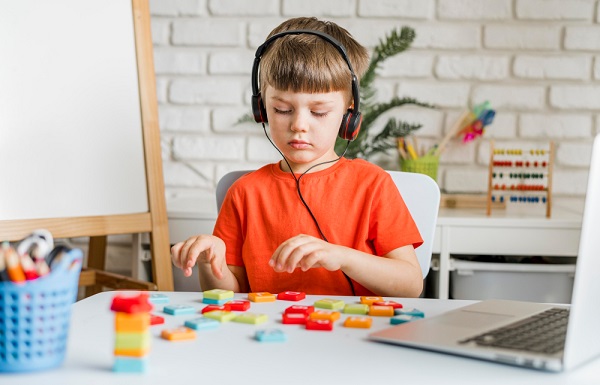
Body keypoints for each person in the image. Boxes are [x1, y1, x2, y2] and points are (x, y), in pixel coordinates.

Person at [171, 17, 424, 297]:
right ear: (261, 109)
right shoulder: (244, 193)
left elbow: (410, 286)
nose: (299, 125)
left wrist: (343, 257)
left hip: (351, 334)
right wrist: (211, 264)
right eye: (281, 109)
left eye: (318, 112)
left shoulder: (372, 184)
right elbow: (233, 293)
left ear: (349, 113)